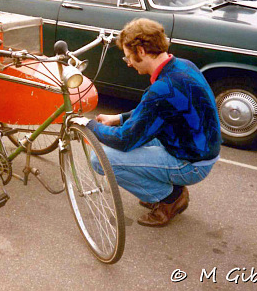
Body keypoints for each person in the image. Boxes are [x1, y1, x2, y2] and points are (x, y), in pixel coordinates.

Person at [74, 18, 222, 227]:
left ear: (141, 51)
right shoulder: (182, 66)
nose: (128, 63)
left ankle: (170, 198)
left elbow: (125, 140)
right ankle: (162, 187)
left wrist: (88, 125)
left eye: (128, 57)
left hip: (191, 163)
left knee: (101, 159)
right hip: (198, 147)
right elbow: (157, 111)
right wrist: (119, 118)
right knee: (129, 145)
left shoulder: (162, 89)